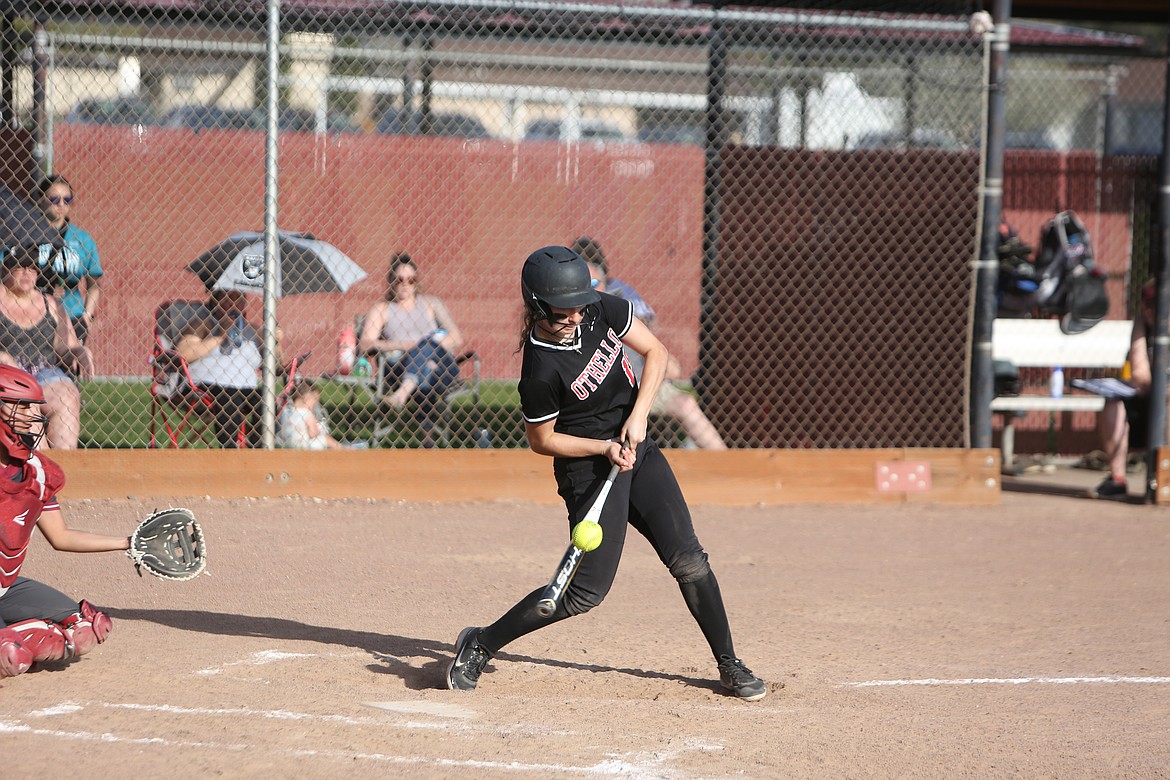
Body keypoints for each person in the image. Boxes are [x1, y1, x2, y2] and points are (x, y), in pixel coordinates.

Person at [446, 245, 766, 701]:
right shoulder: (539, 370)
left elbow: (654, 353)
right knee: (582, 595)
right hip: (587, 469)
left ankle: (729, 664)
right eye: (564, 310)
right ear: (537, 306)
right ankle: (480, 642)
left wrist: (638, 417)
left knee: (690, 559)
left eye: (580, 305)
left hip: (637, 446)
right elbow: (543, 441)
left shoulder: (601, 309)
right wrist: (603, 446)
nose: (577, 316)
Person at [0, 365, 121, 679]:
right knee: (8, 655)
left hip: (5, 588)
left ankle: (15, 637)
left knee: (86, 628)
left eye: (33, 405)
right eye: (21, 405)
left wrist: (127, 543)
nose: (33, 413)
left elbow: (61, 536)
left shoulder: (37, 472)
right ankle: (11, 642)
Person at [571, 236, 727, 450]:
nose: (591, 290)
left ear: (605, 279)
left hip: (638, 380)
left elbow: (653, 345)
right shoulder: (568, 311)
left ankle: (725, 462)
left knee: (686, 403)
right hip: (595, 388)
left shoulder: (621, 299)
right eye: (583, 283)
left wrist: (657, 364)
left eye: (595, 283)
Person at [358, 253, 464, 448]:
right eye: (400, 280)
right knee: (425, 368)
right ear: (391, 281)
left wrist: (425, 347)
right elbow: (366, 343)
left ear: (417, 282)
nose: (405, 284)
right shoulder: (383, 309)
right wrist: (402, 346)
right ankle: (429, 439)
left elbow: (456, 337)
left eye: (411, 280)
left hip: (442, 368)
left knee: (426, 347)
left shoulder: (431, 303)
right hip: (400, 369)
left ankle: (402, 395)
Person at [0, 243, 93, 449]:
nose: (27, 272)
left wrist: (79, 352)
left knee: (67, 395)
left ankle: (65, 467)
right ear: (5, 268)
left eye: (32, 267)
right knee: (27, 404)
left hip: (44, 373)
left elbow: (65, 346)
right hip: (8, 379)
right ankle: (40, 468)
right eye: (19, 266)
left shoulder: (50, 303)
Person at [175, 289, 279, 449]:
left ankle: (257, 449)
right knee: (230, 397)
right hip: (204, 387)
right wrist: (219, 336)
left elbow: (276, 365)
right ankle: (229, 452)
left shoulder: (253, 330)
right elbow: (183, 353)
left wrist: (275, 343)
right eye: (227, 300)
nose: (233, 305)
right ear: (215, 302)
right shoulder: (203, 324)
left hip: (246, 388)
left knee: (267, 399)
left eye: (239, 300)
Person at [1089, 279, 1157, 500]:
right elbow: (1139, 373)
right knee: (1114, 402)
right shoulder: (1142, 323)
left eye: (1155, 306)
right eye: (1147, 305)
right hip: (1148, 399)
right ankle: (1117, 479)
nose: (1150, 311)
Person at [37, 174, 103, 345]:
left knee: (70, 367)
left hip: (72, 315)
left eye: (67, 200)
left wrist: (87, 316)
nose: (61, 205)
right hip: (35, 313)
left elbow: (94, 283)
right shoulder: (27, 235)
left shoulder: (82, 239)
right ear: (41, 200)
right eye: (54, 199)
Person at [277, 380, 342, 450]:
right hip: (305, 445)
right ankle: (341, 448)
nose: (315, 406)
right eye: (314, 402)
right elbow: (312, 433)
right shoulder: (307, 413)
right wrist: (319, 430)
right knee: (325, 439)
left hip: (288, 443)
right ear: (306, 399)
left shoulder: (287, 411)